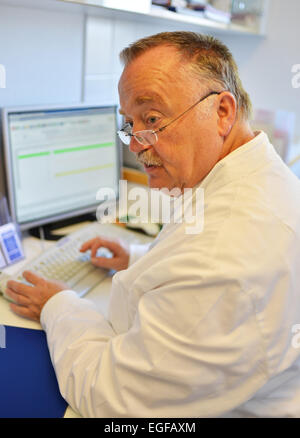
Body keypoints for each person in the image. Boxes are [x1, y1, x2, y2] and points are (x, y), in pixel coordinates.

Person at [6, 31, 300, 418]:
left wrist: (58, 304)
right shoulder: (253, 179)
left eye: (153, 118)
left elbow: (111, 398)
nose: (134, 144)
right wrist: (137, 258)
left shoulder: (225, 253)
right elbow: (192, 258)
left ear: (222, 112)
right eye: (129, 123)